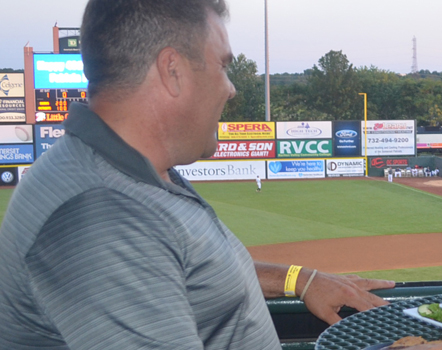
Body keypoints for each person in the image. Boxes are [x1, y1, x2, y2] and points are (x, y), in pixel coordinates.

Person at [0, 1, 394, 348]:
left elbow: (182, 270)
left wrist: (299, 280)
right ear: (172, 70)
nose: (231, 89)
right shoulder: (98, 215)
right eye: (223, 66)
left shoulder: (133, 174)